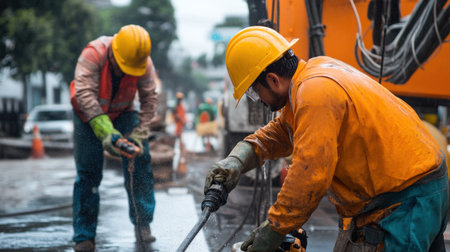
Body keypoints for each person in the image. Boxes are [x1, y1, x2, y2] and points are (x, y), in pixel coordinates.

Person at [204, 26, 448, 251]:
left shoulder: (314, 93)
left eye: (256, 93)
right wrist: (238, 158)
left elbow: (309, 175)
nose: (262, 102)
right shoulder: (313, 75)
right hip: (422, 187)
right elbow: (282, 131)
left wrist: (274, 229)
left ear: (272, 80)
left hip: (404, 203)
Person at [70, 24, 158, 251]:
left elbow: (149, 100)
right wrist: (107, 133)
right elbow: (84, 95)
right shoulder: (93, 54)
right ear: (113, 53)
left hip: (122, 113)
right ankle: (84, 236)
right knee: (88, 173)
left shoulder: (143, 62)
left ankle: (142, 225)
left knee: (141, 161)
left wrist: (139, 134)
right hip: (88, 116)